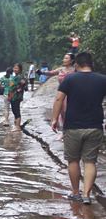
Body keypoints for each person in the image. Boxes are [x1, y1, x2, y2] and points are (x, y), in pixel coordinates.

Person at [51, 52, 106, 204]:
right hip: (95, 126)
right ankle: (87, 195)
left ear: (76, 65)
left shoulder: (70, 79)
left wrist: (54, 119)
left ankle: (76, 193)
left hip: (73, 126)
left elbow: (59, 99)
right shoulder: (102, 80)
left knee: (73, 161)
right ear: (91, 63)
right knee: (90, 162)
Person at [40, 53, 76, 131]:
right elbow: (51, 73)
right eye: (64, 58)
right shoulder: (60, 69)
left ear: (71, 61)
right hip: (61, 93)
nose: (64, 60)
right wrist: (41, 72)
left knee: (68, 111)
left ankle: (70, 128)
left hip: (71, 94)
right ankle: (63, 130)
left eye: (66, 58)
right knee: (60, 111)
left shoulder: (75, 70)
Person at [7, 63, 27, 132]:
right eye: (14, 68)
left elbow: (23, 84)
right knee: (14, 110)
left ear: (20, 69)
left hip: (17, 96)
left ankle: (17, 126)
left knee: (16, 110)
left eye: (17, 68)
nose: (15, 69)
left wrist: (19, 89)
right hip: (12, 96)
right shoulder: (14, 77)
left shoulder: (20, 77)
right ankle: (16, 125)